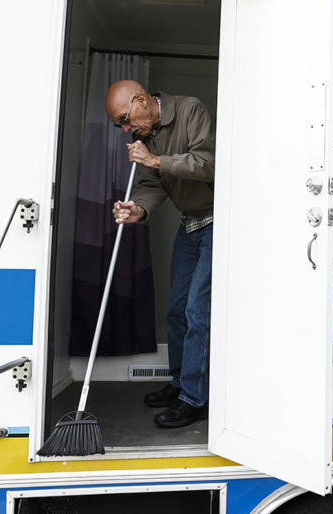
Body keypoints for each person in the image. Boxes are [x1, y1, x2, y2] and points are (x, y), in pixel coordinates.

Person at [105, 79, 215, 428]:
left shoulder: (190, 109)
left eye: (125, 118)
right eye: (119, 125)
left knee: (199, 311)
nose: (126, 128)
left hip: (218, 221)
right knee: (176, 309)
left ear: (141, 100)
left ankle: (195, 399)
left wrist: (155, 158)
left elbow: (208, 163)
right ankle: (181, 383)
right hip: (190, 222)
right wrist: (138, 208)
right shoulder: (145, 134)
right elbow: (153, 183)